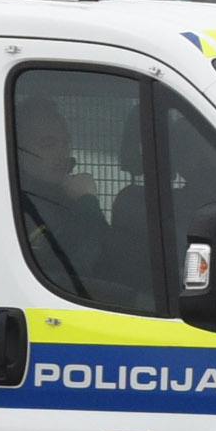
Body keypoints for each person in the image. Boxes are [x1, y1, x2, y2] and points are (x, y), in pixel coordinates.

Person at [12, 86, 147, 306]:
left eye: (65, 142)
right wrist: (87, 202)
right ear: (16, 150)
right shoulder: (21, 206)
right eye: (47, 144)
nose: (62, 153)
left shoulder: (59, 195)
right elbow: (86, 262)